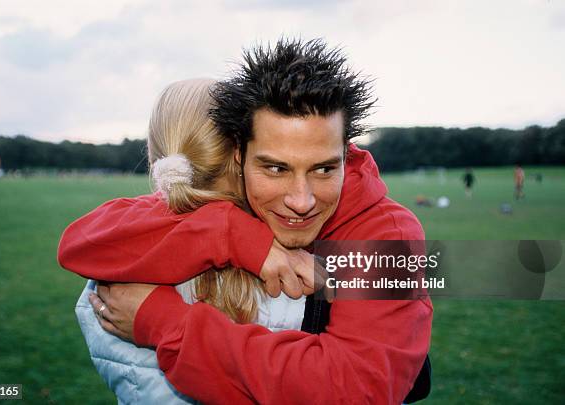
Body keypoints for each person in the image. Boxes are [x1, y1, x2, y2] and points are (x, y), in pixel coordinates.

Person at [59, 38, 433, 404]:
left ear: (346, 152)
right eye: (275, 167)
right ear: (239, 158)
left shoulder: (389, 238)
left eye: (323, 169)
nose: (300, 201)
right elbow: (84, 243)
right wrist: (231, 233)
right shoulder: (233, 204)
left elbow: (357, 389)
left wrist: (165, 322)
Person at [68, 78, 310, 404]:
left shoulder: (113, 283)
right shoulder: (293, 254)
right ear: (242, 158)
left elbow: (77, 242)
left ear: (157, 160)